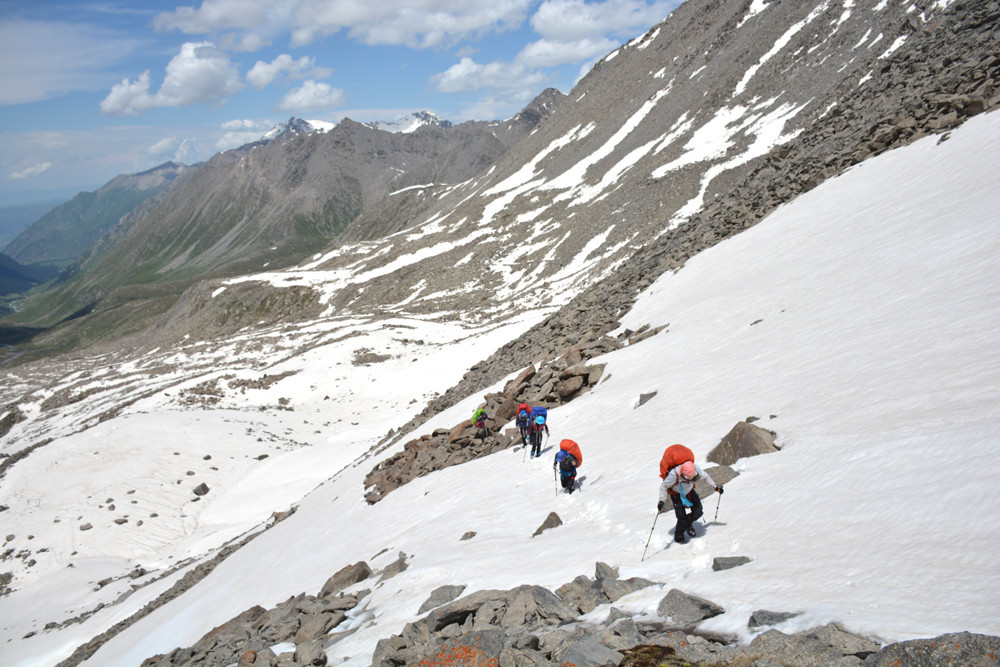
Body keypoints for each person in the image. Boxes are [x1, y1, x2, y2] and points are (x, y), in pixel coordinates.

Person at [658, 452, 723, 544]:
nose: (690, 479)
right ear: (682, 473)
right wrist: (661, 501)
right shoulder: (673, 475)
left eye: (692, 477)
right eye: (688, 478)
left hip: (689, 491)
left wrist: (716, 487)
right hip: (676, 494)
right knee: (681, 518)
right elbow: (663, 486)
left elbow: (706, 476)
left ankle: (688, 524)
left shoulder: (694, 467)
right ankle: (679, 537)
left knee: (698, 511)